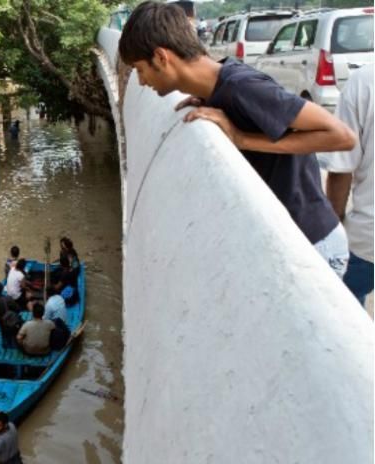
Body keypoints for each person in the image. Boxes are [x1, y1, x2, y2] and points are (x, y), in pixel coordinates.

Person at [118, 2, 357, 277]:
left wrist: (242, 138)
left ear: (161, 58)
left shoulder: (241, 86)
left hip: (314, 246)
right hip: (290, 239)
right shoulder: (219, 87)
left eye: (139, 69)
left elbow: (341, 136)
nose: (140, 81)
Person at [322, 64, 374, 306]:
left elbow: (341, 168)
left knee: (341, 305)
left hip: (368, 237)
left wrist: (334, 225)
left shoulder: (364, 81)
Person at [0, 281, 22, 348]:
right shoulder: (8, 299)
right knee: (14, 336)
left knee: (4, 336)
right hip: (11, 322)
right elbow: (17, 309)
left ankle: (5, 345)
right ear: (2, 290)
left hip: (1, 323)